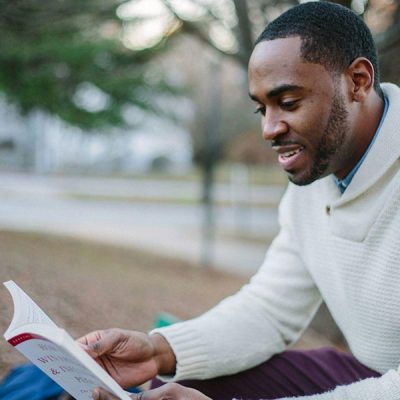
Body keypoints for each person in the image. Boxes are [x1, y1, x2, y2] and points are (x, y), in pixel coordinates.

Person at [79, 2, 400, 399]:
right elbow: (270, 309)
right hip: (370, 370)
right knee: (181, 380)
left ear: (357, 81)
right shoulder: (317, 178)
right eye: (261, 107)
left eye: (288, 102)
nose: (269, 129)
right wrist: (161, 350)